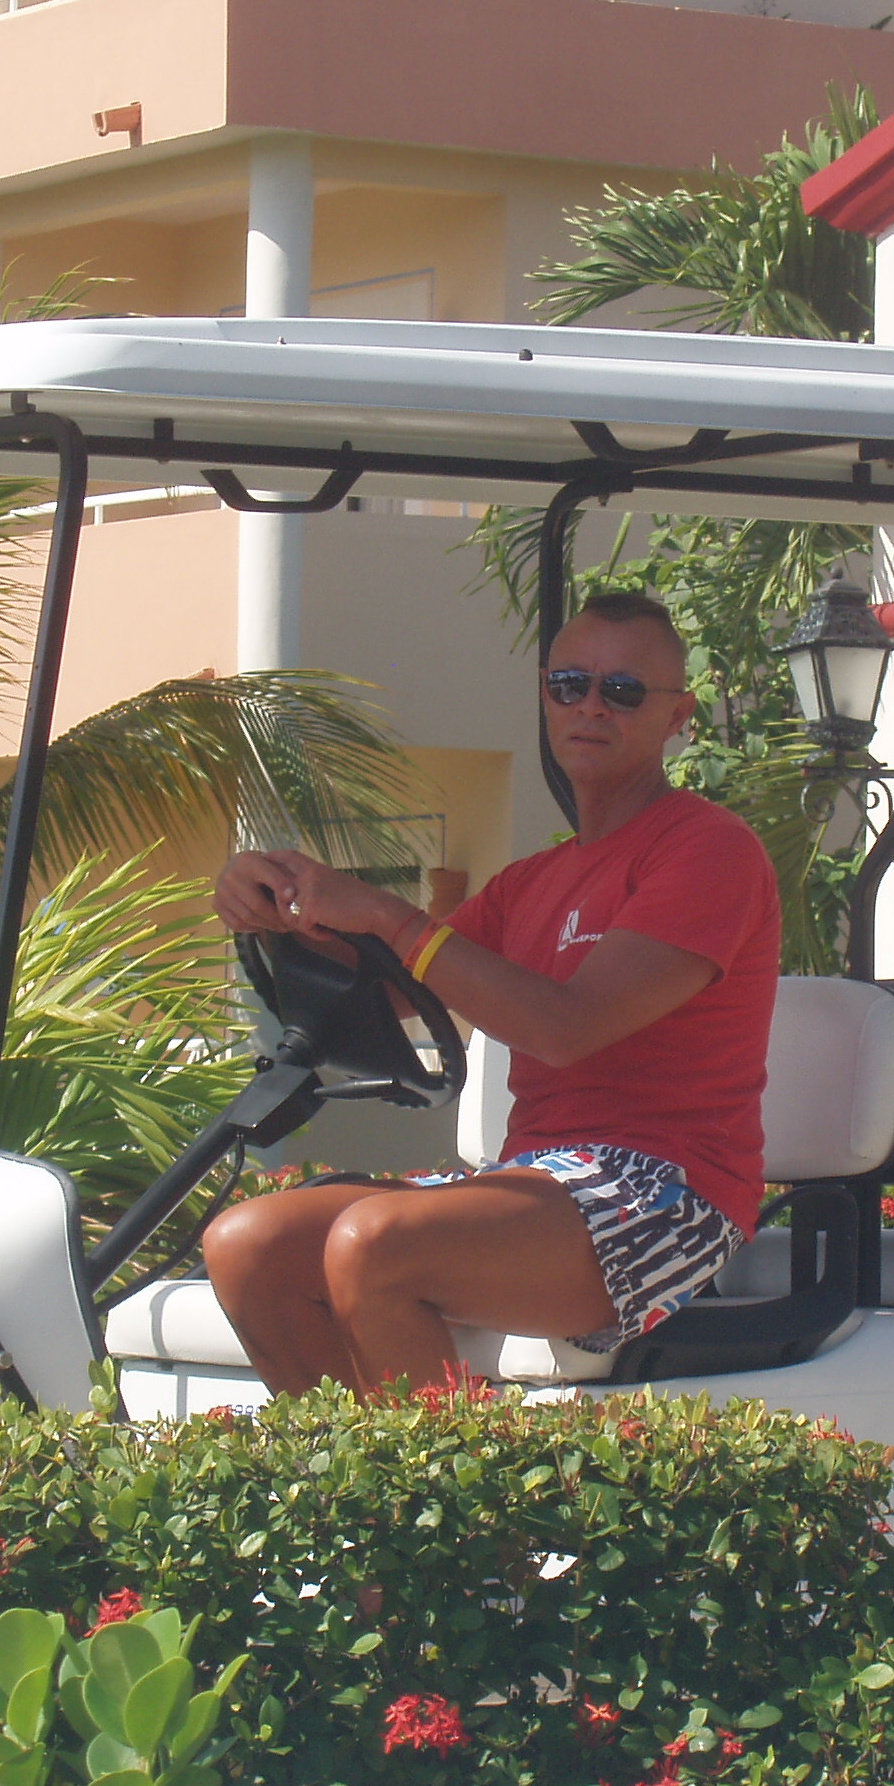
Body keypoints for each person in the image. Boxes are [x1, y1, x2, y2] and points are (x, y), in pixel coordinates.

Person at [202, 590, 780, 1396]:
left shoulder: (709, 850)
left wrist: (386, 914)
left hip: (666, 1195)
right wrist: (278, 910)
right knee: (245, 1245)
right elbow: (386, 990)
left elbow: (565, 1028)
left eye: (622, 691)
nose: (590, 707)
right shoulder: (530, 883)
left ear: (677, 716)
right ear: (545, 695)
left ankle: (452, 1479)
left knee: (373, 1244)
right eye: (569, 685)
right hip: (540, 1178)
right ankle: (357, 1471)